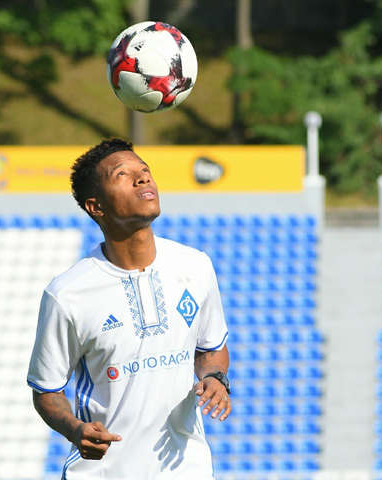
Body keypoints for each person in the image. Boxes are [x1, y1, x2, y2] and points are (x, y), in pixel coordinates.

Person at [27, 138, 231, 479]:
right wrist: (75, 429)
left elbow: (211, 349)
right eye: (123, 174)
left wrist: (215, 378)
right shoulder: (68, 294)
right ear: (96, 206)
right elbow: (46, 391)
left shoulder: (196, 266)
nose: (143, 178)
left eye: (145, 170)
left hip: (187, 470)